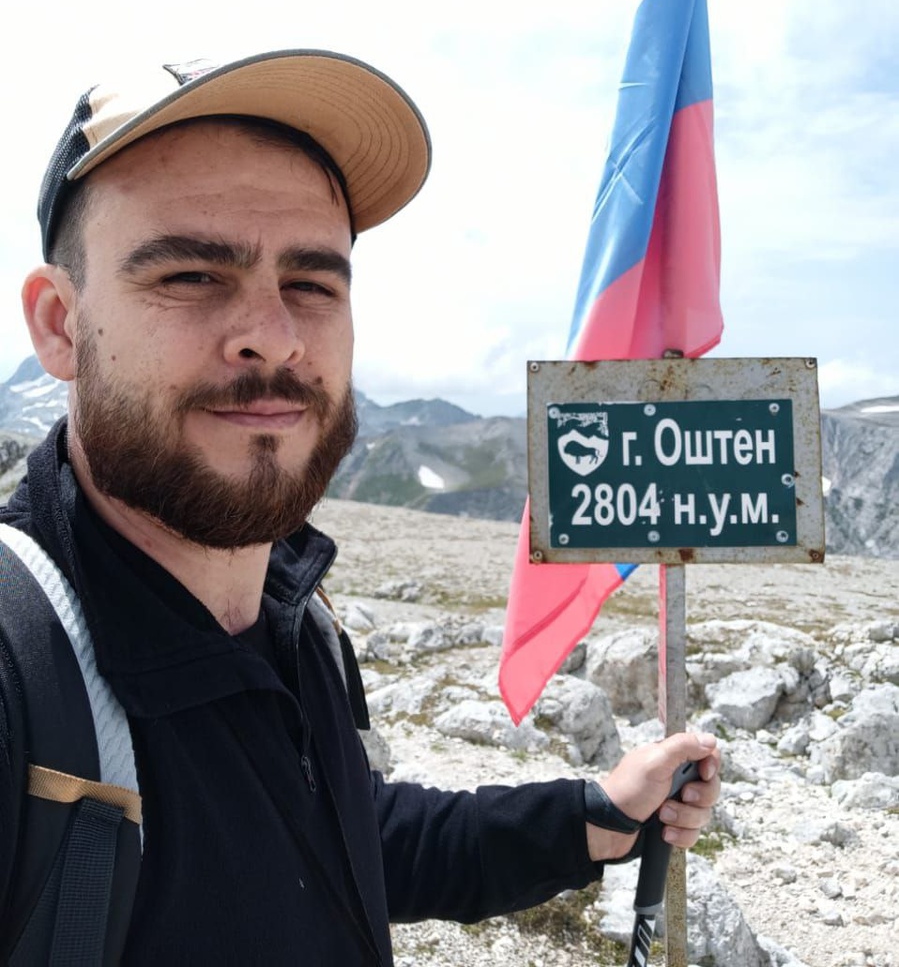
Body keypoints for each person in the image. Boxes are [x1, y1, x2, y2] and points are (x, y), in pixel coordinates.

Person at [0, 50, 720, 963]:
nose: (274, 337)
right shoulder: (18, 678)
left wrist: (586, 817)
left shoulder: (296, 617)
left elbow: (330, 837)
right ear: (59, 324)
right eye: (189, 275)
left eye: (311, 283)